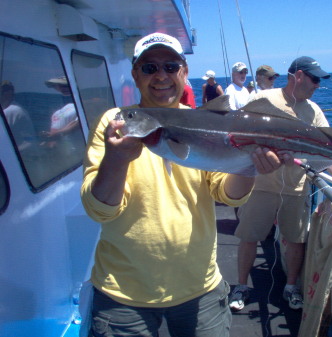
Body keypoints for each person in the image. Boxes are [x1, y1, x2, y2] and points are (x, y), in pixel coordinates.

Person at [80, 32, 292, 337]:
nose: (161, 76)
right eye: (150, 68)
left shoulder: (202, 121)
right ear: (135, 75)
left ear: (184, 72)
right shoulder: (115, 124)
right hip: (122, 293)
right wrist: (117, 159)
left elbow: (228, 195)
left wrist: (251, 167)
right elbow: (98, 210)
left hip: (200, 289)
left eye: (170, 66)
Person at [229, 56, 332, 311]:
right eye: (314, 79)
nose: (317, 85)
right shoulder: (263, 100)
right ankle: (241, 286)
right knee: (249, 237)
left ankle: (291, 287)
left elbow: (326, 149)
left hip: (297, 188)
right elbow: (238, 135)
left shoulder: (313, 111)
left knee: (296, 240)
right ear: (298, 76)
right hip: (261, 185)